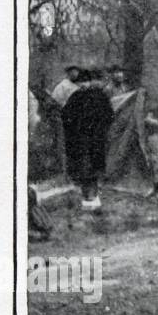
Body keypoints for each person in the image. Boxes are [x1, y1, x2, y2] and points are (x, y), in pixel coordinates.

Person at [61, 69, 115, 211]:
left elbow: (109, 116)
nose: (83, 85)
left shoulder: (91, 96)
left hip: (90, 140)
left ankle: (90, 198)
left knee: (89, 169)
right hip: (88, 140)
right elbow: (66, 116)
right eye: (81, 82)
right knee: (88, 169)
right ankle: (90, 198)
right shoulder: (82, 96)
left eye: (85, 81)